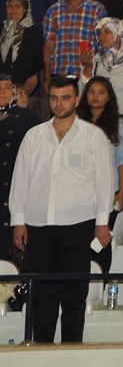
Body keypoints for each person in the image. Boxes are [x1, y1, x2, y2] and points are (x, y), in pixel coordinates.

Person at [10, 76, 112, 340]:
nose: (59, 103)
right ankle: (42, 348)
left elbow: (104, 182)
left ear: (76, 100)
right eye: (54, 98)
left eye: (65, 98)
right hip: (38, 224)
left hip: (78, 224)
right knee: (42, 292)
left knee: (74, 293)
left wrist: (102, 222)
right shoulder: (34, 136)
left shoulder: (93, 136)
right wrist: (18, 220)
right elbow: (20, 180)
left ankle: (71, 350)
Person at [80, 16, 123, 204]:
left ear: (118, 33)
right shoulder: (96, 61)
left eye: (107, 32)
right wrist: (87, 69)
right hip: (101, 128)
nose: (102, 36)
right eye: (99, 33)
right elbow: (83, 96)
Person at [77, 76, 123, 247]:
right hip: (80, 192)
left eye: (101, 92)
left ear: (109, 97)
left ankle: (101, 266)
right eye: (91, 92)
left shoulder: (119, 123)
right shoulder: (75, 122)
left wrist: (122, 192)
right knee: (80, 242)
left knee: (100, 242)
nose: (95, 96)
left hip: (108, 192)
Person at [42, 0, 107, 85]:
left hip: (86, 74)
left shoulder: (97, 9)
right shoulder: (53, 11)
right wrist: (46, 74)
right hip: (58, 74)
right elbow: (48, 45)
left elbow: (103, 43)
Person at [0, 73, 41, 261]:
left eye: (7, 87)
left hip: (16, 190)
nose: (2, 92)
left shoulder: (29, 118)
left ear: (14, 91)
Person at [1, 0, 44, 99]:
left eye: (17, 6)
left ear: (25, 9)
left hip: (25, 87)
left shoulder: (36, 33)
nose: (13, 9)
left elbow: (42, 60)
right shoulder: (1, 30)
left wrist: (37, 77)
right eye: (10, 6)